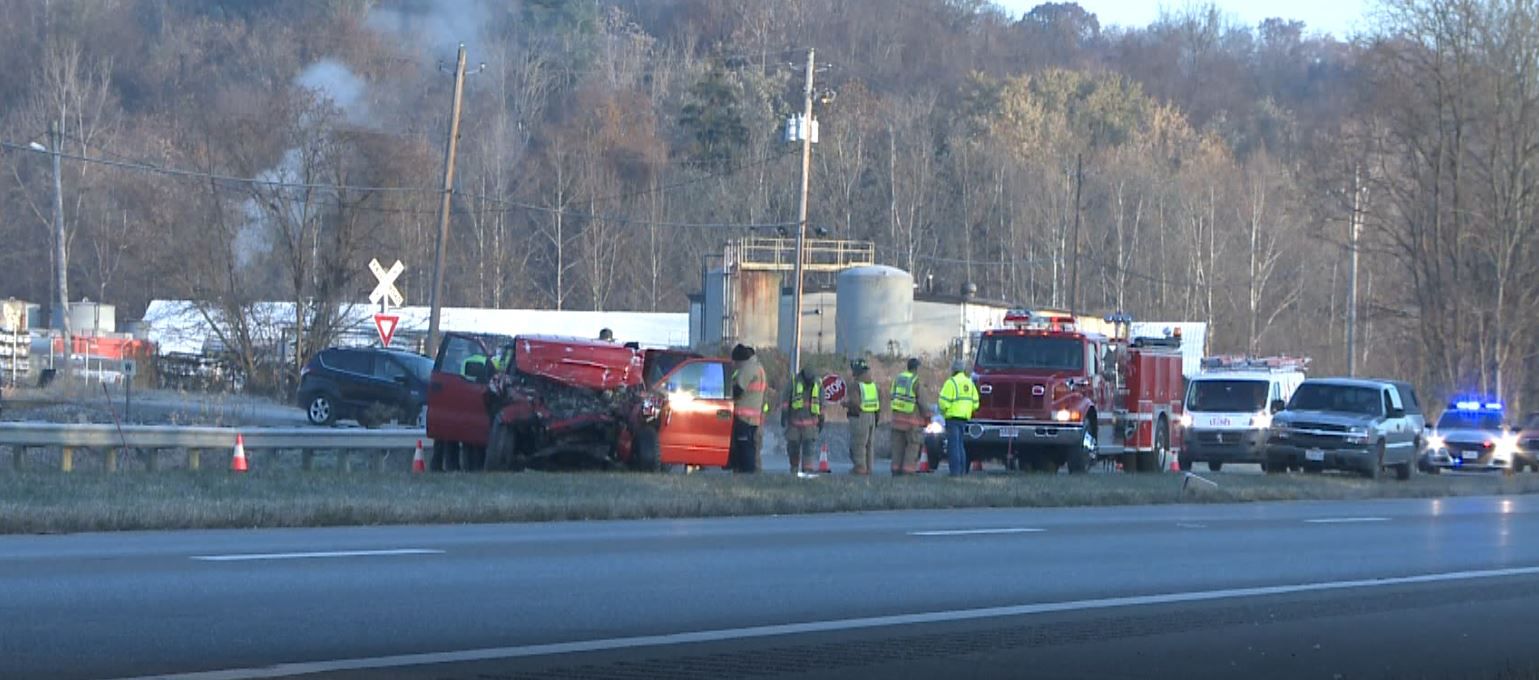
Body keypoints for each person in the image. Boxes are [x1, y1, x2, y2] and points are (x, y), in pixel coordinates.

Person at [889, 358, 931, 475]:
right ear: (916, 368)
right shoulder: (915, 381)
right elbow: (922, 402)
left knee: (897, 447)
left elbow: (892, 395)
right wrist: (927, 417)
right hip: (911, 421)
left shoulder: (898, 379)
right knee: (912, 446)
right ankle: (908, 471)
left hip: (896, 419)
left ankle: (895, 469)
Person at [938, 358, 979, 477]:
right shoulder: (969, 382)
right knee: (960, 445)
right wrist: (968, 409)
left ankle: (955, 472)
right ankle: (962, 471)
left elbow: (943, 402)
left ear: (953, 370)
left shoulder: (951, 383)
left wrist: (945, 410)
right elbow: (976, 403)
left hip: (953, 417)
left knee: (953, 445)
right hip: (964, 418)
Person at [730, 344, 767, 473]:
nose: (735, 364)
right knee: (750, 448)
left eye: (735, 361)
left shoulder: (747, 369)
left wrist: (726, 395)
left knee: (745, 451)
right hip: (753, 418)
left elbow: (738, 390)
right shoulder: (758, 367)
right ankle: (749, 474)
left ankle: (746, 475)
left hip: (743, 417)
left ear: (740, 360)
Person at [782, 366, 824, 474]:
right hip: (794, 423)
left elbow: (822, 403)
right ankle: (794, 469)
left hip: (810, 424)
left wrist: (822, 418)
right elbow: (786, 398)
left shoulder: (818, 383)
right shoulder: (793, 381)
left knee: (809, 449)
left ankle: (807, 471)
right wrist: (784, 413)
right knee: (793, 448)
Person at [844, 358, 881, 475]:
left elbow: (855, 403)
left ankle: (860, 468)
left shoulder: (855, 385)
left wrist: (845, 404)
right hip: (872, 417)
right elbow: (879, 403)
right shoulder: (873, 385)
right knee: (869, 445)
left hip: (859, 417)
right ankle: (868, 468)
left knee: (858, 444)